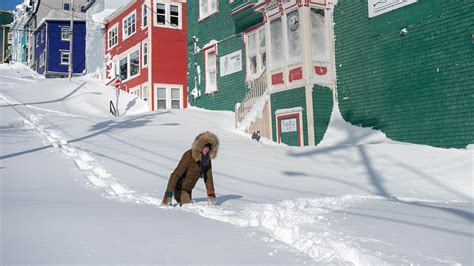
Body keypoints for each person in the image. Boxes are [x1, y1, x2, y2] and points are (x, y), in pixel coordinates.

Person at [162, 131, 219, 206]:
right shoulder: (189, 155)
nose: (206, 149)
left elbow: (208, 178)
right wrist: (168, 196)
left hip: (189, 190)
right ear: (200, 146)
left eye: (208, 147)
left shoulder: (206, 160)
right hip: (179, 189)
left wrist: (211, 195)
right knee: (188, 206)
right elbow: (175, 175)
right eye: (204, 147)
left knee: (190, 204)